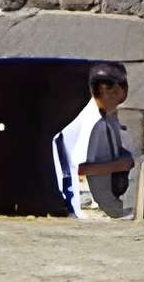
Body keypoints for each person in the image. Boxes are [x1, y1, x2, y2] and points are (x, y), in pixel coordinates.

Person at [55, 64, 134, 221]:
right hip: (98, 207)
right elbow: (80, 168)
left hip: (110, 202)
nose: (107, 95)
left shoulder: (110, 119)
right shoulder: (95, 124)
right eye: (102, 91)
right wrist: (122, 164)